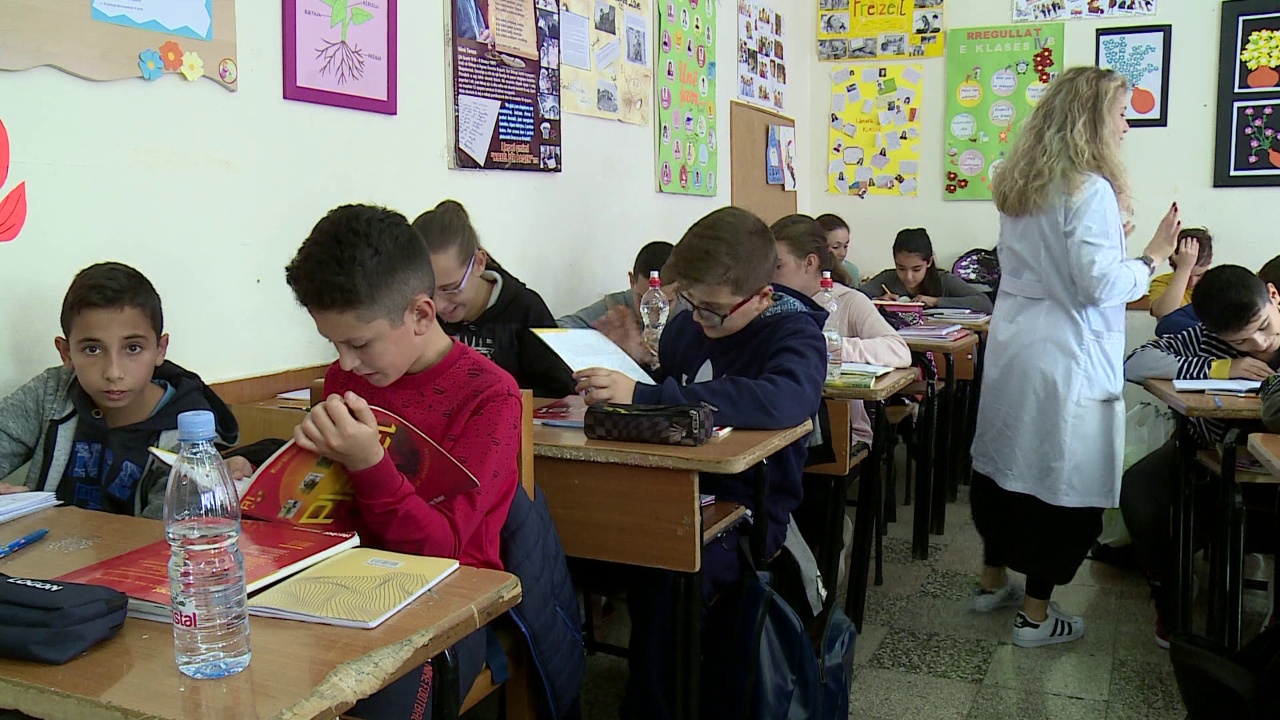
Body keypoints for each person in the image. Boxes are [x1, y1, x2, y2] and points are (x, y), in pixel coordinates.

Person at [573, 207, 827, 719]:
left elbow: (785, 399)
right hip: (667, 487)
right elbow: (674, 389)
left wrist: (645, 394)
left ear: (763, 297)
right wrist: (631, 364)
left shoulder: (795, 334)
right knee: (568, 538)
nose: (698, 319)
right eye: (688, 302)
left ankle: (652, 708)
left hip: (744, 510)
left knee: (667, 578)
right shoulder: (689, 328)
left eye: (713, 310)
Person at [967, 66, 1180, 648]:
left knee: (1005, 466)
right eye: (1121, 114)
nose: (1127, 127)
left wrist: (1115, 238)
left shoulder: (1015, 180)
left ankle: (991, 581)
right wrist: (1151, 256)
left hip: (1017, 345)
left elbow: (1052, 262)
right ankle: (1036, 618)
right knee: (1061, 478)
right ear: (1092, 119)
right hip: (1067, 355)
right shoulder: (1089, 188)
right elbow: (1098, 285)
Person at [284, 204, 524, 717]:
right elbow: (332, 504)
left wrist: (370, 463)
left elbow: (445, 552)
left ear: (420, 314)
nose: (344, 363)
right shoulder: (349, 377)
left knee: (380, 698)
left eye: (358, 343)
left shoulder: (491, 397)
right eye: (333, 343)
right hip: (345, 584)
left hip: (449, 604)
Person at [1122, 261, 1280, 647]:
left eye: (1264, 327)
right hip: (1208, 456)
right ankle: (1170, 592)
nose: (1259, 344)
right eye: (1242, 341)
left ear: (1274, 296)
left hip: (1272, 471)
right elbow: (1134, 363)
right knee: (1139, 491)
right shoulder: (1205, 339)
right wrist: (1223, 367)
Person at [0, 262, 238, 516]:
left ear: (160, 349)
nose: (113, 373)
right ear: (66, 353)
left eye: (133, 348)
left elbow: (163, 532)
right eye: (93, 349)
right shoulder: (51, 393)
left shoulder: (187, 437)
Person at [412, 200, 576, 399]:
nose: (438, 306)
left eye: (451, 289)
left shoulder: (526, 310)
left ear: (479, 264)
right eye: (428, 292)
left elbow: (561, 395)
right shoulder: (416, 311)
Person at [771, 213, 910, 445]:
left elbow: (898, 350)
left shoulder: (848, 300)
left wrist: (830, 347)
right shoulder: (768, 303)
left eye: (777, 266)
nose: (769, 276)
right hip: (781, 424)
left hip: (837, 433)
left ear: (810, 263)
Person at [557, 241, 683, 366]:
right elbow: (556, 330)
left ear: (682, 289)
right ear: (632, 281)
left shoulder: (689, 313)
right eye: (644, 301)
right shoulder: (617, 308)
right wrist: (604, 344)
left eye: (666, 304)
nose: (653, 315)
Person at [860, 229, 995, 312]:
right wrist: (877, 302)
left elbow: (984, 303)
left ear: (929, 262)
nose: (908, 276)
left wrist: (936, 302)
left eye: (916, 269)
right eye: (901, 268)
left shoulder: (944, 280)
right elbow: (852, 297)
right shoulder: (887, 278)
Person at [1149, 227, 1213, 322]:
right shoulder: (1162, 282)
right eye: (1187, 276)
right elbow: (1165, 316)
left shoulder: (1219, 283)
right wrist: (1183, 269)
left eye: (1199, 275)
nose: (1192, 283)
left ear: (1211, 260)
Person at [816, 213, 859, 285]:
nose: (843, 253)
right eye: (835, 247)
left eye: (845, 246)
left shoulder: (850, 270)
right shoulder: (808, 271)